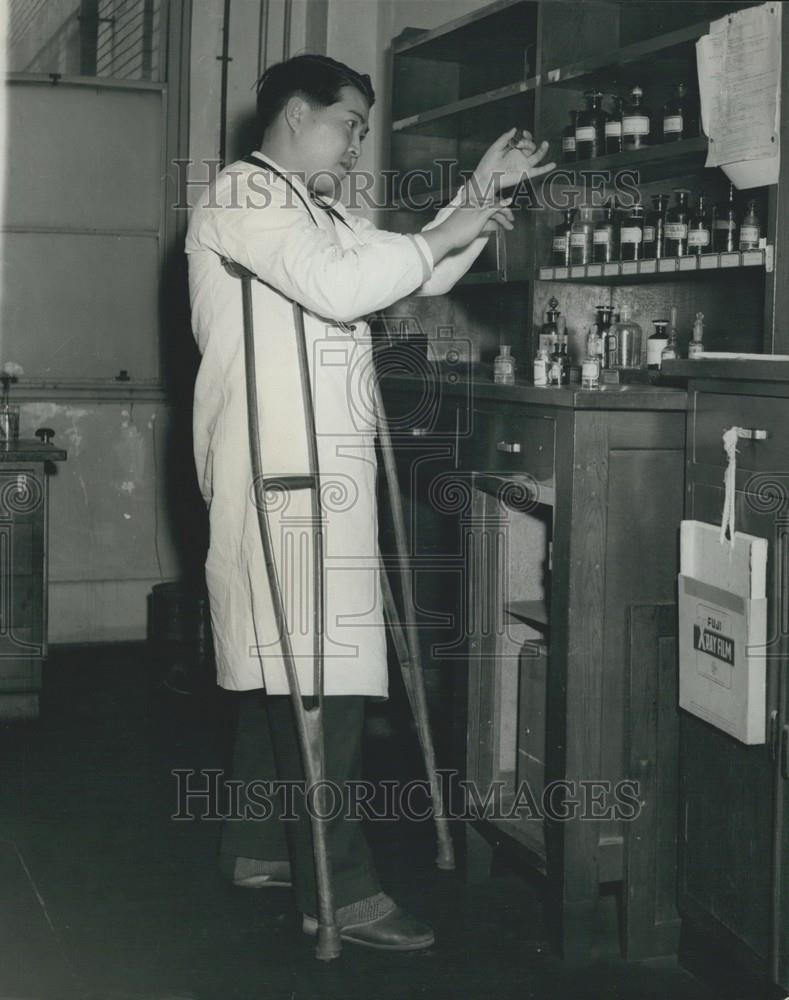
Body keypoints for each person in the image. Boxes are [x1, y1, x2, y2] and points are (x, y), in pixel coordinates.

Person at [185, 53, 553, 952]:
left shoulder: (316, 207)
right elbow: (342, 285)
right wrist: (455, 217)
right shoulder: (245, 193)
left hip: (317, 465)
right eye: (349, 124)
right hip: (278, 472)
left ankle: (258, 846)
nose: (356, 148)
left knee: (294, 660)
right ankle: (338, 891)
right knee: (324, 674)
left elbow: (412, 275)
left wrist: (475, 195)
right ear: (295, 113)